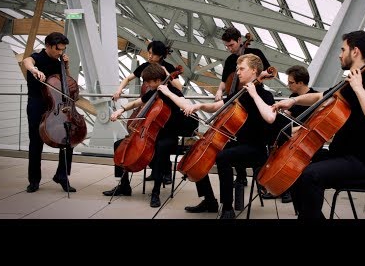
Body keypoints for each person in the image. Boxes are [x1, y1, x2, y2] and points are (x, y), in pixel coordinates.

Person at [272, 30, 365, 220]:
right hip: (341, 154)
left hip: (364, 161)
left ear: (355, 52)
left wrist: (359, 88)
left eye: (342, 49)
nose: (339, 54)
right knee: (294, 166)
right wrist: (294, 101)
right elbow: (321, 97)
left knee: (311, 175)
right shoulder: (345, 84)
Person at [182, 54, 277, 219]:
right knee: (201, 152)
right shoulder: (239, 93)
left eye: (242, 69)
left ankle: (227, 208)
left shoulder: (265, 95)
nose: (238, 73)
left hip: (256, 149)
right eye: (237, 69)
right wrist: (200, 105)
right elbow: (218, 105)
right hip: (236, 143)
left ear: (254, 70)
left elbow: (270, 117)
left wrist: (254, 94)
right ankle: (209, 200)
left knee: (223, 157)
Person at [103, 63, 195, 207]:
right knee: (118, 145)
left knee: (159, 150)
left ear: (158, 80)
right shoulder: (154, 92)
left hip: (168, 135)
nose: (147, 84)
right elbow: (137, 102)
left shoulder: (174, 93)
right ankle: (124, 185)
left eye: (149, 81)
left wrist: (168, 93)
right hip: (149, 133)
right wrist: (120, 110)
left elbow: (186, 105)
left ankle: (156, 191)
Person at [112, 40, 181, 184]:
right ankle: (124, 184)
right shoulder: (147, 75)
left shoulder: (167, 73)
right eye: (148, 53)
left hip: (161, 120)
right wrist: (121, 103)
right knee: (121, 145)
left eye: (152, 54)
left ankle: (161, 171)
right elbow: (140, 99)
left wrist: (167, 74)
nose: (149, 56)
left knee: (158, 147)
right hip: (148, 112)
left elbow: (179, 88)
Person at [215, 26, 271, 188]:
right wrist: (219, 91)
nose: (229, 48)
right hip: (235, 100)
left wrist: (255, 79)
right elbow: (225, 79)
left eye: (231, 45)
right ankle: (240, 176)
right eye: (226, 46)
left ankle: (261, 179)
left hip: (251, 97)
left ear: (240, 40)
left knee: (249, 134)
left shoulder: (255, 54)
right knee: (233, 134)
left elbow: (268, 71)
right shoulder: (230, 60)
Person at [22, 32, 77, 193]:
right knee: (36, 142)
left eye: (63, 49)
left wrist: (66, 66)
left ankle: (62, 175)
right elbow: (27, 61)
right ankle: (34, 180)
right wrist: (34, 70)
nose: (60, 52)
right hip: (37, 105)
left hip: (56, 107)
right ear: (48, 46)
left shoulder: (59, 61)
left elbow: (68, 83)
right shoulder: (38, 57)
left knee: (68, 140)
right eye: (58, 49)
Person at [261, 65, 318, 204]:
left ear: (300, 82)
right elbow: (287, 117)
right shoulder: (293, 97)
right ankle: (279, 185)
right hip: (293, 135)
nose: (288, 85)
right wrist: (276, 113)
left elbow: (313, 125)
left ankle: (287, 187)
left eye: (291, 82)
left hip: (306, 138)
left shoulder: (315, 97)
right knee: (272, 131)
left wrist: (291, 129)